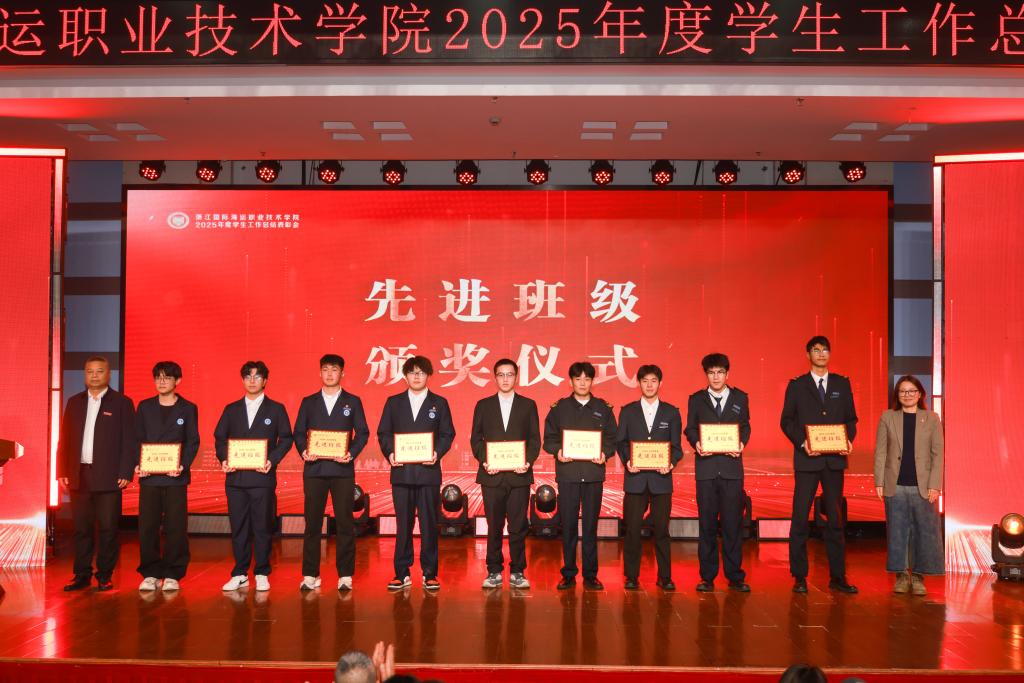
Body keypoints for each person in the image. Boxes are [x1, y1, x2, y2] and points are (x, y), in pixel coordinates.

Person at [780, 336, 858, 594]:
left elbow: (851, 419)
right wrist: (804, 443)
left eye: (825, 350)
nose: (821, 354)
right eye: (816, 350)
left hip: (834, 461)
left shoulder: (842, 384)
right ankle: (799, 576)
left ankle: (838, 576)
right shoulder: (797, 385)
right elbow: (786, 421)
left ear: (830, 353)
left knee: (835, 519)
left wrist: (847, 440)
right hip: (807, 460)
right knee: (800, 517)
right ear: (808, 355)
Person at [57, 356, 136, 592]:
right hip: (79, 474)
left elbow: (129, 441)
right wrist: (62, 470)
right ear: (85, 374)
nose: (94, 375)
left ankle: (104, 575)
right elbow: (65, 439)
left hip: (110, 476)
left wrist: (126, 471)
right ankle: (81, 575)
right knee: (81, 529)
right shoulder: (74, 402)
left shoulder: (122, 403)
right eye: (89, 371)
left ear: (108, 374)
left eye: (99, 371)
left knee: (108, 528)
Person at [377, 356, 456, 591]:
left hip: (428, 472)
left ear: (428, 375)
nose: (417, 376)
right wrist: (390, 453)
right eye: (412, 372)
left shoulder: (439, 403)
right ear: (405, 376)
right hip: (401, 473)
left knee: (429, 524)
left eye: (421, 372)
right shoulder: (393, 402)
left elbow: (447, 434)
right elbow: (384, 433)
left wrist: (436, 453)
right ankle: (401, 573)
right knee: (403, 525)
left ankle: (430, 573)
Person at [293, 354, 370, 592]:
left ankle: (345, 575)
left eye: (334, 369)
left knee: (345, 523)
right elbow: (298, 432)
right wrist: (304, 451)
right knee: (312, 524)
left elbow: (363, 433)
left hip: (342, 470)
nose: (329, 374)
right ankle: (310, 574)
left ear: (342, 373)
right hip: (314, 469)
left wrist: (351, 453)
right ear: (320, 373)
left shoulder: (352, 402)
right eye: (325, 369)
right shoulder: (309, 402)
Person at [214, 360, 293, 592]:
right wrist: (224, 459)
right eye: (248, 376)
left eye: (257, 376)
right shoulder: (231, 409)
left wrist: (272, 460)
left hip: (262, 478)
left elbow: (286, 439)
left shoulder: (276, 409)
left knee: (262, 527)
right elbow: (220, 438)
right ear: (242, 380)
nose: (252, 380)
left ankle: (261, 572)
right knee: (238, 527)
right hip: (236, 479)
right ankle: (240, 573)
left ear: (265, 381)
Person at [543, 361, 618, 591]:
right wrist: (558, 451)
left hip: (593, 475)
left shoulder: (604, 408)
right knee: (568, 526)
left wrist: (605, 453)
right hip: (568, 475)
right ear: (571, 381)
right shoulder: (559, 408)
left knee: (590, 527)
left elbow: (612, 439)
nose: (583, 383)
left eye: (587, 379)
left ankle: (590, 575)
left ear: (592, 381)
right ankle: (568, 573)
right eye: (578, 379)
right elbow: (549, 439)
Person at [470, 358, 541, 590]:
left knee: (518, 526)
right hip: (492, 475)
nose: (505, 379)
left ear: (516, 377)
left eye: (510, 374)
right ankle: (494, 570)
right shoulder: (483, 405)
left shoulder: (528, 405)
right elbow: (476, 439)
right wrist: (485, 461)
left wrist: (527, 461)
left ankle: (518, 571)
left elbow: (534, 439)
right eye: (501, 375)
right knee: (494, 526)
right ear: (495, 377)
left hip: (519, 476)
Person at [684, 353, 752, 592]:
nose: (716, 377)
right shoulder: (696, 399)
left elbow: (745, 427)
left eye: (720, 372)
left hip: (732, 471)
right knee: (707, 526)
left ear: (727, 374)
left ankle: (735, 576)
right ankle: (707, 577)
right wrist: (697, 443)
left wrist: (741, 443)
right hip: (707, 471)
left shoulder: (740, 398)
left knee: (733, 524)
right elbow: (690, 429)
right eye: (711, 372)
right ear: (706, 374)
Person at [874, 375, 944, 595]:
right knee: (898, 532)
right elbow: (881, 452)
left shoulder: (931, 418)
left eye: (912, 391)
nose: (907, 395)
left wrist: (935, 485)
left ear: (920, 394)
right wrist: (879, 481)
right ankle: (902, 576)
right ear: (897, 395)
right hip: (895, 484)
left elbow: (938, 454)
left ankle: (919, 576)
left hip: (923, 486)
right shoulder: (887, 417)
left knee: (924, 532)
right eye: (903, 391)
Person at [616, 364, 683, 591]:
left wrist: (670, 463)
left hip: (661, 481)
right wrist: (628, 460)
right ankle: (631, 576)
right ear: (639, 384)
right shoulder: (628, 411)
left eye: (653, 381)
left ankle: (665, 576)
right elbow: (621, 442)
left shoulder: (671, 412)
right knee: (632, 530)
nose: (649, 385)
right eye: (645, 381)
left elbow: (677, 447)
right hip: (635, 480)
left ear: (660, 383)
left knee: (662, 530)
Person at [134, 361, 200, 592]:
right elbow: (137, 438)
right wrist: (138, 464)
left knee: (176, 526)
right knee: (148, 526)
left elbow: (192, 441)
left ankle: (173, 573)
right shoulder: (144, 407)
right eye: (158, 378)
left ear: (177, 381)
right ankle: (150, 572)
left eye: (167, 377)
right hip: (149, 476)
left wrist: (182, 465)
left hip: (175, 476)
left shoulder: (188, 408)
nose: (162, 382)